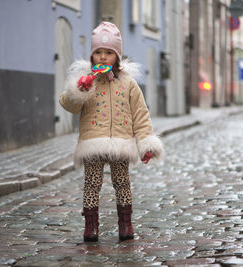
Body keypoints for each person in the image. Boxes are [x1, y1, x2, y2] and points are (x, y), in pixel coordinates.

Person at [59, 21, 164, 242]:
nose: (103, 57)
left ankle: (126, 224)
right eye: (98, 52)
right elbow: (69, 105)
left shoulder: (128, 83)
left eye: (109, 53)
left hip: (121, 142)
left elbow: (140, 114)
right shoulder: (86, 80)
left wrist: (146, 142)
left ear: (117, 56)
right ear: (92, 56)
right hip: (93, 142)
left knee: (122, 182)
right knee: (92, 183)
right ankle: (91, 226)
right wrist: (79, 90)